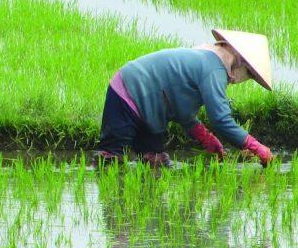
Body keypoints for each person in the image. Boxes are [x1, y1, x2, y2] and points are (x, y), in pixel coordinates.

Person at [96, 29, 274, 167]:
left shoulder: (208, 62)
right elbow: (221, 119)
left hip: (151, 108)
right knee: (110, 159)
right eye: (249, 74)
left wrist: (205, 136)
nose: (243, 79)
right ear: (240, 61)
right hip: (129, 92)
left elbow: (181, 108)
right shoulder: (215, 69)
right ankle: (110, 208)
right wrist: (254, 146)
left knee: (156, 162)